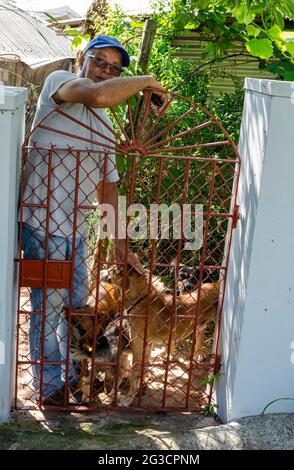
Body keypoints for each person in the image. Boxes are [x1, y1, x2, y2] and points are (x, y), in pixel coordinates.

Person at [20, 34, 166, 405]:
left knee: (76, 309)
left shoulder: (105, 125)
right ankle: (51, 386)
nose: (105, 72)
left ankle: (68, 374)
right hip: (43, 222)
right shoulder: (61, 84)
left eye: (115, 69)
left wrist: (121, 247)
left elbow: (108, 190)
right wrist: (146, 82)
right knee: (49, 305)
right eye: (100, 61)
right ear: (82, 57)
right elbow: (97, 93)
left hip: (77, 230)